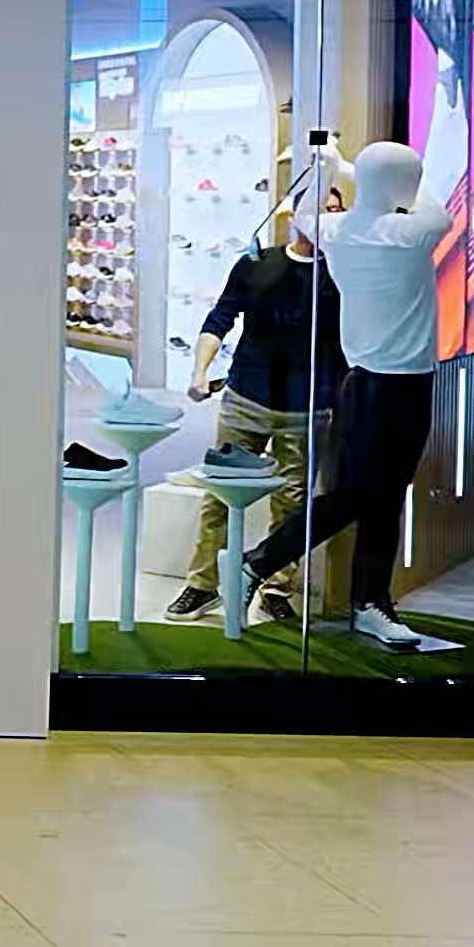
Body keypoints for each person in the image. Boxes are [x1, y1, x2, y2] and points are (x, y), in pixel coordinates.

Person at [241, 140, 459, 653]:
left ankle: (369, 603)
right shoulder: (410, 231)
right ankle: (261, 562)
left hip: (372, 385)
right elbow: (438, 211)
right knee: (359, 497)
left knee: (382, 497)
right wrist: (346, 167)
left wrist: (334, 166)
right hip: (393, 387)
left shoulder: (336, 230)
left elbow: (303, 210)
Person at [167, 196, 345, 625]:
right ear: (295, 215)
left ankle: (275, 586)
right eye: (320, 207)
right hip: (246, 397)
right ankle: (203, 584)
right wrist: (200, 371)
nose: (327, 217)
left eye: (335, 209)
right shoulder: (256, 263)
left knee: (292, 504)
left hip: (308, 407)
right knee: (219, 495)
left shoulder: (345, 273)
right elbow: (220, 319)